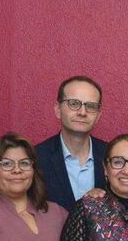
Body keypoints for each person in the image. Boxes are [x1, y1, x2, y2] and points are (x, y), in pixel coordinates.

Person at [36, 75, 109, 211]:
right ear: (58, 109)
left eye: (91, 106)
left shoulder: (112, 156)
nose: (82, 112)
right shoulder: (36, 158)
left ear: (98, 115)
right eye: (74, 104)